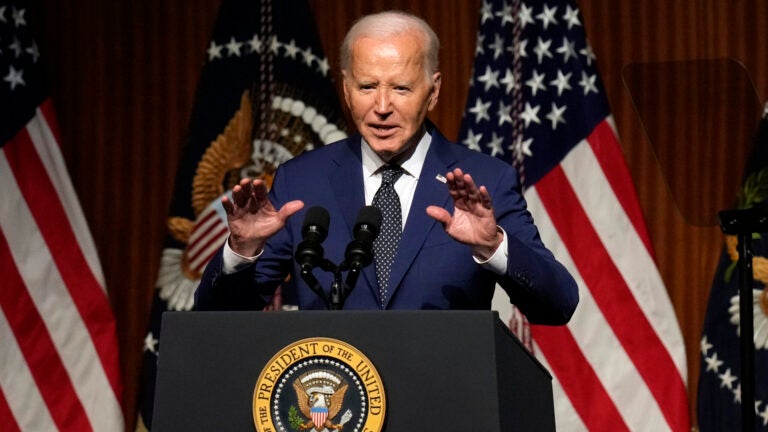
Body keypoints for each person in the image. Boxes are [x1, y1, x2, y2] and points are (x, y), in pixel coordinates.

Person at [194, 10, 578, 325]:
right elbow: (218, 318)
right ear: (345, 89)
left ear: (434, 90)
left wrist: (493, 246)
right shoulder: (301, 180)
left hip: (446, 407)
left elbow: (557, 305)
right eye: (366, 87)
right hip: (334, 409)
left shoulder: (486, 180)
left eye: (401, 88)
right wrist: (241, 252)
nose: (381, 106)